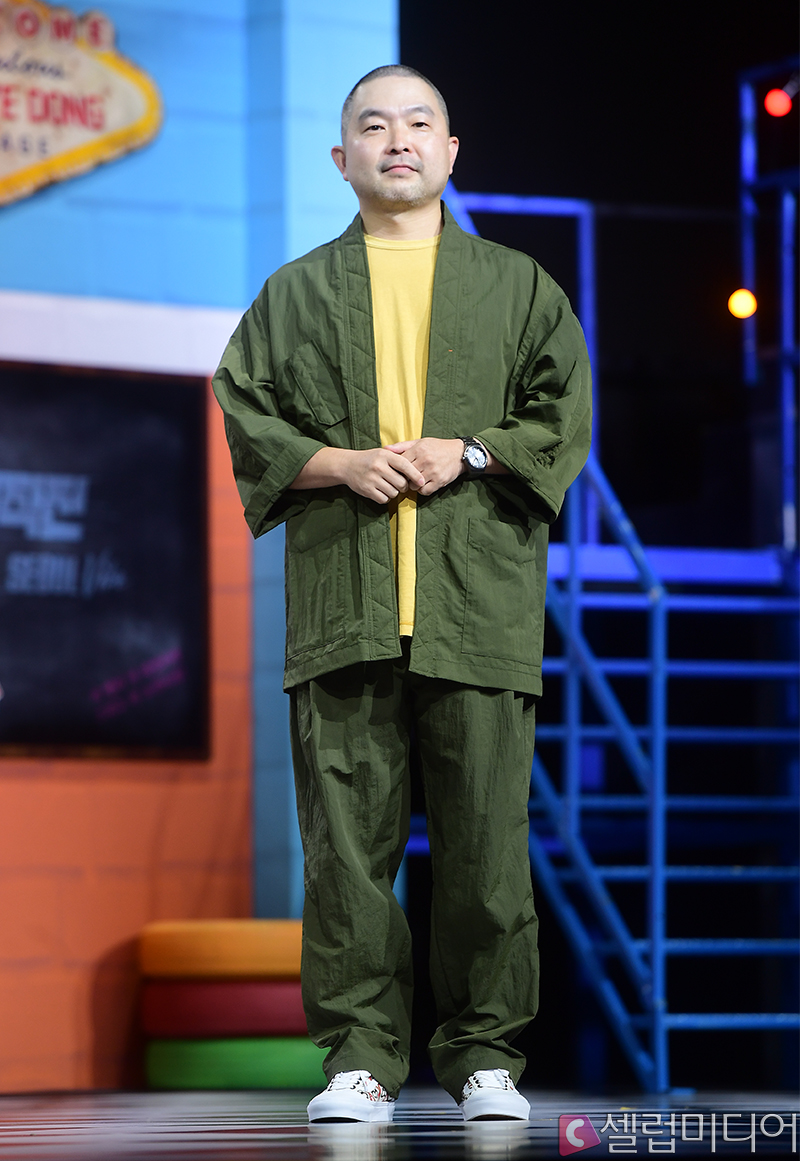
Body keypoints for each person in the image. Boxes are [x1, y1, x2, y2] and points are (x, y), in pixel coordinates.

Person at [213, 64, 591, 1123]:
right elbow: (245, 405)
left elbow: (560, 412)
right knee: (345, 853)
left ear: (450, 151)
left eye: (419, 123)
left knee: (486, 851)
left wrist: (466, 450)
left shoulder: (517, 287)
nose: (398, 141)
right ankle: (359, 1062)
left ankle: (486, 1058)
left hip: (479, 609)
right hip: (346, 607)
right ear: (342, 159)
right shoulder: (294, 293)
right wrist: (338, 464)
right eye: (374, 127)